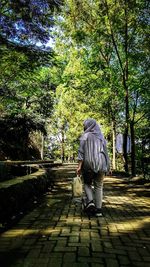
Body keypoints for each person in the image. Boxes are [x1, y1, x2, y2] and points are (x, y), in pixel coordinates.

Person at [76, 118, 110, 217]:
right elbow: (106, 153)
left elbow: (81, 152)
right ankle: (99, 210)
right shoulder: (102, 138)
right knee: (99, 186)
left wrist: (79, 166)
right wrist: (108, 166)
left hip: (88, 164)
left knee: (87, 183)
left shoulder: (84, 136)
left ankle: (90, 202)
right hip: (102, 163)